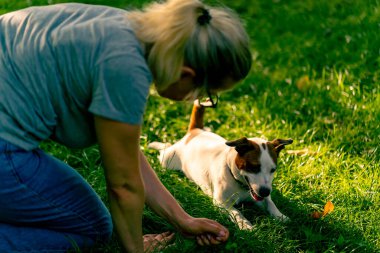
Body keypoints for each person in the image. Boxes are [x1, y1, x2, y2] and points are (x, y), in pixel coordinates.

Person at [0, 0, 252, 252]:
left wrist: (181, 219)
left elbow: (125, 156)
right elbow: (123, 186)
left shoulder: (125, 29)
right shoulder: (125, 69)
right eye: (207, 93)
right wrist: (135, 249)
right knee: (91, 227)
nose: (202, 99)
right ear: (185, 74)